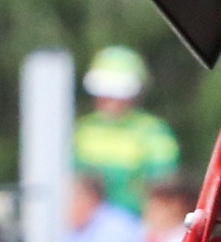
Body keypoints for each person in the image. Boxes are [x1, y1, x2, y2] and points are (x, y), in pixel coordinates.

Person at [74, 47, 179, 213]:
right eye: (103, 92)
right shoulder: (83, 130)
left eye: (116, 93)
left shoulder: (154, 133)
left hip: (138, 228)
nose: (108, 100)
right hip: (88, 230)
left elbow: (163, 190)